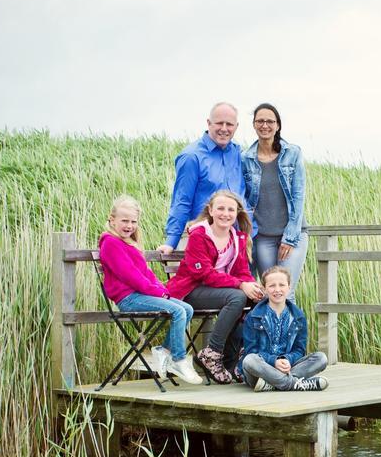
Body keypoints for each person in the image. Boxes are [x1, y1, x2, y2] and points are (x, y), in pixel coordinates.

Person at [97, 195, 203, 385]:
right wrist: (159, 293)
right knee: (177, 311)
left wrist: (162, 289)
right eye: (124, 220)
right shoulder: (110, 243)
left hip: (141, 295)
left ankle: (164, 351)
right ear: (112, 220)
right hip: (128, 299)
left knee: (187, 309)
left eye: (133, 221)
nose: (129, 225)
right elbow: (130, 276)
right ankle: (178, 359)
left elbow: (146, 273)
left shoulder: (129, 243)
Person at [166, 190, 264, 383]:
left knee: (256, 298)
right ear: (211, 210)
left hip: (219, 291)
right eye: (220, 208)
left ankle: (233, 361)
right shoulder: (199, 235)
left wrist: (252, 285)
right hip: (191, 290)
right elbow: (203, 273)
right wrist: (240, 285)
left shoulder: (238, 238)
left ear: (237, 213)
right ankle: (212, 354)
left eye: (230, 210)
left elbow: (242, 271)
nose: (225, 214)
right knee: (237, 297)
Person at [159, 102, 246, 254]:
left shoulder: (238, 154)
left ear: (236, 126)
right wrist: (171, 241)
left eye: (229, 124)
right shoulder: (192, 156)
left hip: (232, 239)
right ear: (208, 123)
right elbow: (182, 201)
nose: (224, 129)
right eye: (219, 123)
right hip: (199, 239)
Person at [241, 102, 308, 298]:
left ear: (278, 125)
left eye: (270, 121)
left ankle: (289, 330)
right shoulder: (246, 159)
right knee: (270, 291)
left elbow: (298, 196)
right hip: (263, 237)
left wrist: (290, 237)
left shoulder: (292, 154)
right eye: (260, 121)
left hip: (293, 234)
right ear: (254, 124)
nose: (265, 125)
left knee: (285, 292)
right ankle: (271, 330)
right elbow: (244, 199)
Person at [238, 266, 328, 392]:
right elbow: (251, 351)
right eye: (272, 286)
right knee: (249, 360)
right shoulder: (253, 317)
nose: (277, 290)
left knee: (321, 358)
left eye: (282, 285)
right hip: (261, 371)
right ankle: (293, 384)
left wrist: (286, 360)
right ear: (264, 289)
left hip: (287, 368)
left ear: (289, 287)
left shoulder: (298, 317)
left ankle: (273, 384)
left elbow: (299, 350)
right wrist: (274, 361)